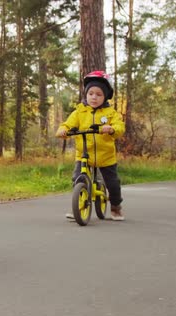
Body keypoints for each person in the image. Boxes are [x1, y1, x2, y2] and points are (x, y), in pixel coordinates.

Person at [55, 70, 126, 221]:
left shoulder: (110, 113)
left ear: (105, 96)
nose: (94, 97)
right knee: (78, 179)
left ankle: (115, 207)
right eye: (91, 93)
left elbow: (120, 127)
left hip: (105, 155)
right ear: (86, 94)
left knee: (112, 183)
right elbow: (68, 124)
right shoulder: (79, 112)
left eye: (99, 94)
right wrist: (63, 130)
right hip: (84, 154)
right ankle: (79, 206)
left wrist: (112, 128)